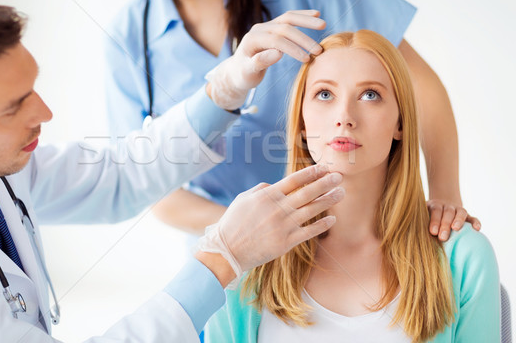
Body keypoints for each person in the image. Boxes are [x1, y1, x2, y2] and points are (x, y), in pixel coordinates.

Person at [0, 0, 344, 342]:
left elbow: (119, 176)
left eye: (32, 89)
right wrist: (222, 260)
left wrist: (224, 89)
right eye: (13, 108)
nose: (45, 113)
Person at [96, 0, 478, 239]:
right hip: (233, 258)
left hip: (355, 233)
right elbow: (149, 186)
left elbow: (416, 83)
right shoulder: (127, 40)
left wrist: (444, 192)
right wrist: (260, 231)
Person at [205, 30, 501, 342]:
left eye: (370, 95)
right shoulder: (242, 258)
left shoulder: (464, 257)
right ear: (302, 124)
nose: (344, 116)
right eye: (324, 94)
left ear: (400, 122)